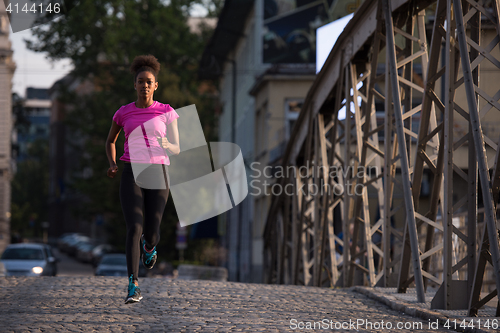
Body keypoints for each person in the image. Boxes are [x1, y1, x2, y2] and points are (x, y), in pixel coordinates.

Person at [105, 54, 180, 304]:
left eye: (149, 81)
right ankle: (133, 284)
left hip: (158, 172)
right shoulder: (123, 113)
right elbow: (110, 141)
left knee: (151, 232)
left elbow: (178, 147)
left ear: (155, 85)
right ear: (134, 85)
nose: (144, 85)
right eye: (140, 81)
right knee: (134, 227)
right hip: (131, 172)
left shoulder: (167, 112)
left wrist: (168, 143)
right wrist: (113, 163)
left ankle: (150, 248)